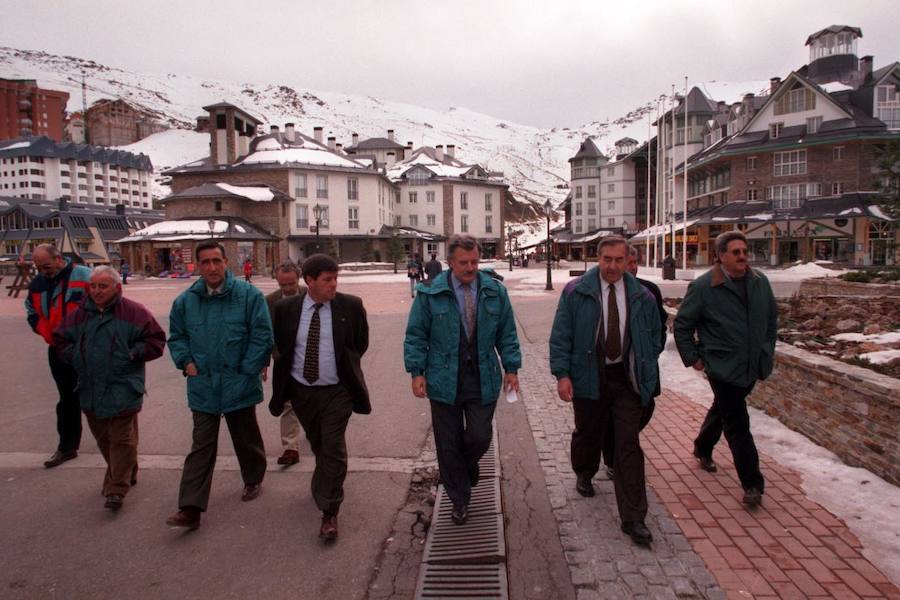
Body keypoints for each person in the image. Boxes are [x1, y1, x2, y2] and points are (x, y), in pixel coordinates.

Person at [549, 235, 663, 546]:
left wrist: (644, 366)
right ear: (598, 259)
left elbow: (655, 336)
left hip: (625, 379)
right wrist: (562, 375)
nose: (612, 266)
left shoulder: (643, 295)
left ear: (628, 261)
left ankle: (634, 518)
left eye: (618, 260)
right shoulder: (576, 291)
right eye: (607, 259)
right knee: (589, 431)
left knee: (628, 444)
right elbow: (561, 336)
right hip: (589, 374)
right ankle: (584, 471)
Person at [404, 234, 521, 526]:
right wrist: (417, 372)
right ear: (450, 262)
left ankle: (467, 467)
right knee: (448, 442)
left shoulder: (495, 291)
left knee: (480, 435)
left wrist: (512, 368)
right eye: (463, 263)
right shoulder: (430, 292)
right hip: (443, 378)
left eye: (474, 262)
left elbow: (507, 333)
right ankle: (459, 499)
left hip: (483, 376)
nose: (470, 268)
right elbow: (416, 335)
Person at [165, 240, 273, 529]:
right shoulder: (185, 302)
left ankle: (253, 478)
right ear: (198, 266)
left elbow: (262, 336)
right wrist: (185, 361)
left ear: (227, 263)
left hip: (239, 382)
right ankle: (190, 508)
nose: (212, 267)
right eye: (205, 262)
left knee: (245, 437)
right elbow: (177, 337)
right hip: (203, 386)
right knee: (201, 445)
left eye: (216, 261)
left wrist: (247, 370)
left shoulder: (249, 297)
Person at [269, 254, 370, 541]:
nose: (334, 284)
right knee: (319, 444)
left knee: (334, 447)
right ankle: (322, 483)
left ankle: (329, 511)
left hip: (337, 390)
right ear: (309, 281)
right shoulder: (287, 308)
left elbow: (359, 344)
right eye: (327, 280)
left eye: (336, 278)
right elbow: (283, 347)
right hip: (302, 391)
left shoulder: (350, 306)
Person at [674, 231, 777, 508]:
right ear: (720, 256)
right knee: (737, 423)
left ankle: (702, 447)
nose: (743, 256)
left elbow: (770, 320)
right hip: (721, 365)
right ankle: (752, 483)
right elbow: (682, 325)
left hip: (751, 364)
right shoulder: (705, 286)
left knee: (724, 408)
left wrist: (767, 349)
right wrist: (693, 357)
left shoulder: (760, 282)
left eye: (745, 251)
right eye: (736, 252)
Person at [53, 266, 166, 511]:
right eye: (93, 286)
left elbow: (156, 340)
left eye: (102, 286)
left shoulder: (133, 312)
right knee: (104, 438)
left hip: (124, 385)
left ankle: (116, 488)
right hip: (90, 387)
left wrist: (132, 354)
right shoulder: (80, 315)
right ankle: (128, 470)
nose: (96, 291)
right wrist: (75, 356)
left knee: (122, 438)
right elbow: (59, 339)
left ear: (116, 287)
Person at [600, 245, 668, 479]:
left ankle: (617, 445)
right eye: (625, 262)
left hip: (641, 366)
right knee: (617, 423)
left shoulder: (649, 291)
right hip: (611, 369)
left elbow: (659, 325)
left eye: (632, 262)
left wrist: (651, 354)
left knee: (645, 409)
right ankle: (613, 458)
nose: (630, 267)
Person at [25, 243, 92, 468]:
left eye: (46, 266)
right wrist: (49, 335)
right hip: (58, 348)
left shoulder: (84, 275)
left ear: (58, 259)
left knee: (100, 395)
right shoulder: (37, 284)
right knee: (67, 398)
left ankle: (117, 449)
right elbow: (32, 312)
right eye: (39, 267)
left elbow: (105, 301)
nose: (44, 271)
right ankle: (67, 447)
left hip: (87, 347)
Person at [264, 260, 307, 467]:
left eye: (291, 284)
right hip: (285, 360)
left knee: (311, 400)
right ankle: (290, 448)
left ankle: (313, 429)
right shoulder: (270, 301)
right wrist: (270, 358)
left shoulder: (311, 294)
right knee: (288, 402)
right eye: (283, 285)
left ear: (298, 279)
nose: (288, 289)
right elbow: (266, 332)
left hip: (310, 358)